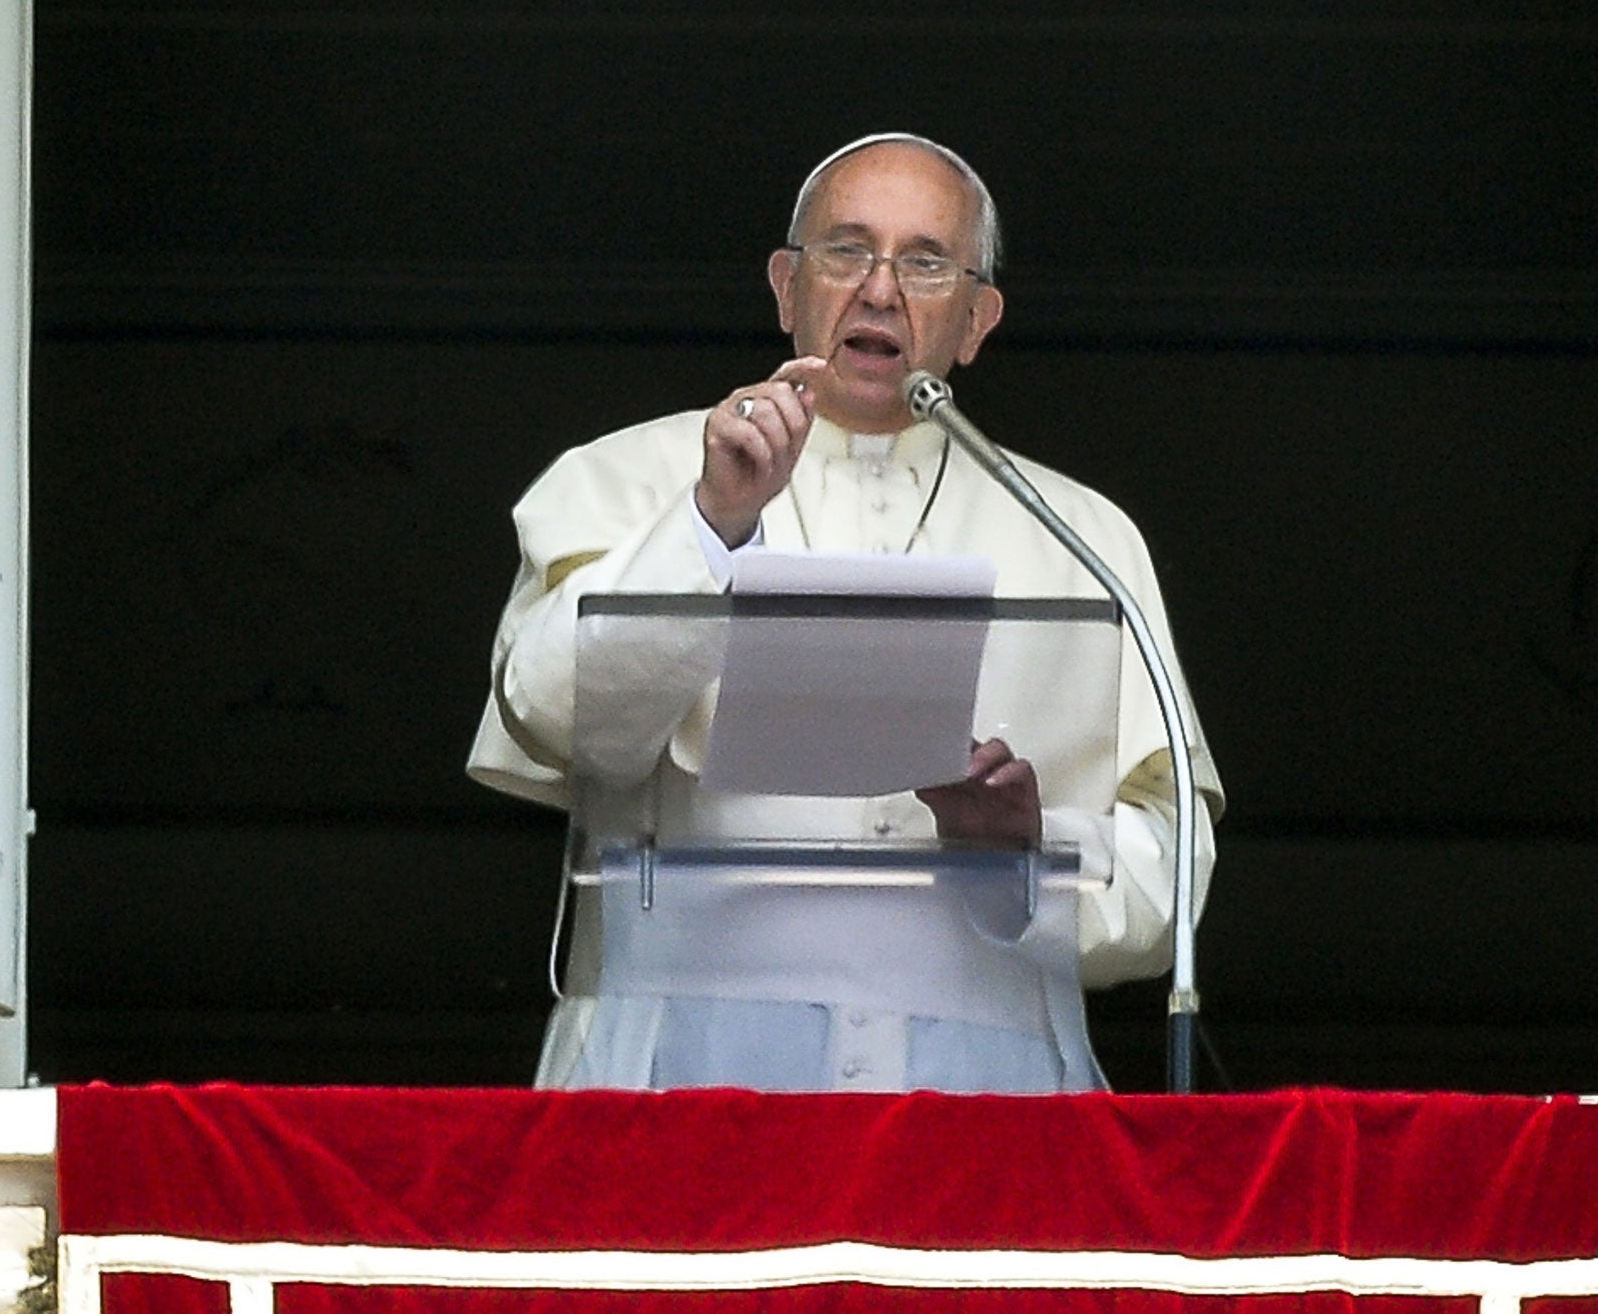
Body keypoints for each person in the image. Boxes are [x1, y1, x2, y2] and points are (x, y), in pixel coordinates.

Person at [468, 133, 1223, 1091]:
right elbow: (559, 722)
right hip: (678, 1073)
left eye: (926, 262)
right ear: (786, 288)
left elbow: (1170, 877)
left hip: (984, 1088)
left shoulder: (1083, 536)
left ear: (978, 320)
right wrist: (712, 524)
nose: (879, 289)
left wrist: (1030, 851)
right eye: (846, 250)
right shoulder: (625, 478)